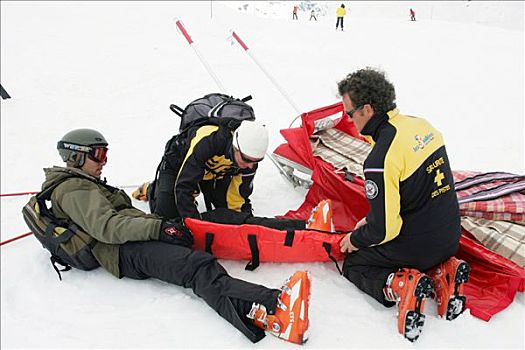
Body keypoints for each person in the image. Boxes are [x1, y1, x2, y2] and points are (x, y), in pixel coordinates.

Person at [46, 128, 311, 345]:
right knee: (195, 267)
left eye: (106, 154)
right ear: (76, 156)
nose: (104, 161)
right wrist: (159, 229)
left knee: (215, 231)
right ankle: (274, 307)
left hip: (133, 238)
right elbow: (107, 227)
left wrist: (162, 226)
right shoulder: (73, 189)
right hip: (121, 251)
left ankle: (301, 230)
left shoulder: (84, 184)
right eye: (98, 154)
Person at [336, 68, 470, 341]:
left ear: (368, 110)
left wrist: (355, 238)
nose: (348, 119)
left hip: (418, 247)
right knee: (410, 237)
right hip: (450, 236)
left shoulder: (380, 158)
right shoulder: (422, 126)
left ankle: (399, 285)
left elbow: (385, 229)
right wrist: (371, 219)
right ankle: (446, 271)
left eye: (350, 113)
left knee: (354, 265)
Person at [151, 120, 268, 221]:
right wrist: (194, 222)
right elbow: (184, 186)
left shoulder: (249, 161)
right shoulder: (209, 141)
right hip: (178, 166)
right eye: (246, 159)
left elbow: (239, 197)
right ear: (235, 146)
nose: (251, 166)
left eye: (258, 161)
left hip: (213, 173)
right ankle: (154, 188)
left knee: (228, 213)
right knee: (168, 217)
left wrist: (246, 221)